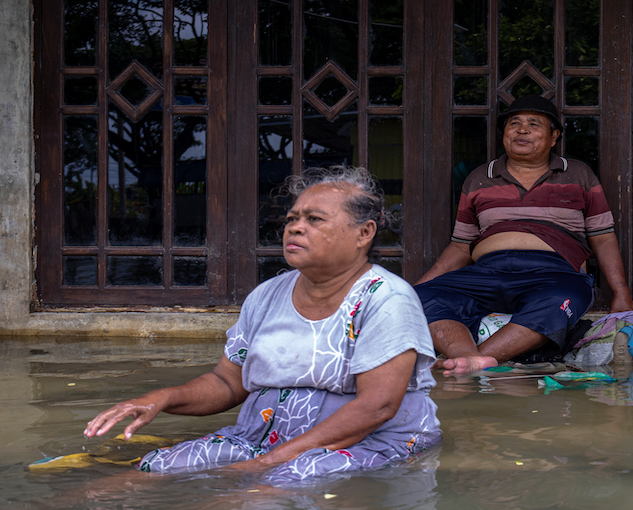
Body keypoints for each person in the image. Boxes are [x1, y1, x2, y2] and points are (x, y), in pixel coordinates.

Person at [83, 166, 440, 486]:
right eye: (291, 219)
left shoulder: (388, 300)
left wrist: (266, 464)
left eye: (315, 219)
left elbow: (376, 407)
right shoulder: (267, 295)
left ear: (364, 233)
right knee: (157, 466)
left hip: (371, 442)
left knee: (279, 483)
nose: (295, 227)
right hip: (261, 438)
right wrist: (158, 399)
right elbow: (227, 383)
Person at [415, 94, 633, 374]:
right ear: (504, 134)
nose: (522, 129)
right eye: (514, 123)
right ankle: (464, 354)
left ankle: (474, 359)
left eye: (534, 124)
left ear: (554, 136)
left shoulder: (579, 175)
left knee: (563, 300)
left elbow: (603, 236)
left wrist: (620, 293)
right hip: (486, 273)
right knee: (419, 298)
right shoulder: (479, 178)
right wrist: (413, 290)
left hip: (553, 275)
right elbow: (461, 247)